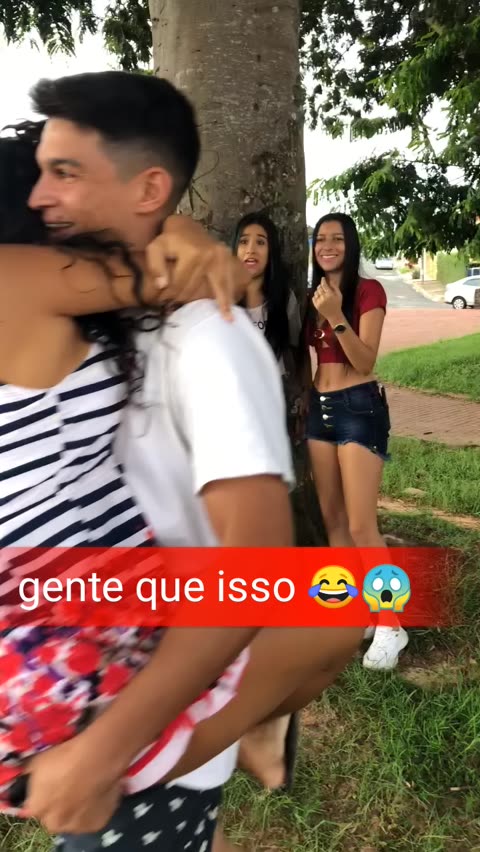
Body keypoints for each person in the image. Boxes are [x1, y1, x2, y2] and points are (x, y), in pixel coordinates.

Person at [0, 77, 364, 850]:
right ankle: (249, 728)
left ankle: (248, 727)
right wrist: (187, 237)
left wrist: (191, 241)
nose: (41, 195)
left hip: (135, 690)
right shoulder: (103, 319)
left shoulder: (201, 336)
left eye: (63, 172)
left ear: (147, 186)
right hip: (104, 693)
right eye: (38, 175)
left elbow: (253, 560)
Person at [0, 115, 266, 851]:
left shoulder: (66, 314)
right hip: (75, 635)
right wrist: (185, 231)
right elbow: (176, 270)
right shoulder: (21, 280)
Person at [305, 212, 407, 670]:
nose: (327, 246)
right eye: (320, 239)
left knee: (364, 525)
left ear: (351, 244)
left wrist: (334, 315)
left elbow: (365, 361)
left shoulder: (368, 291)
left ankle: (391, 624)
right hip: (319, 410)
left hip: (358, 408)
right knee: (334, 520)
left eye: (337, 239)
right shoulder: (313, 294)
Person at [232, 211, 304, 443]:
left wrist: (301, 396)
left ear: (271, 251)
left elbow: (295, 351)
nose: (251, 249)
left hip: (273, 406)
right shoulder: (220, 300)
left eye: (260, 242)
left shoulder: (284, 300)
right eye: (244, 241)